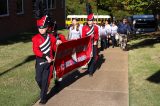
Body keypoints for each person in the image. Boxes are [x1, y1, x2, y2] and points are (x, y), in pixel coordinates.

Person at [32, 15, 56, 104]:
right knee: (38, 79)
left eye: (42, 28)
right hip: (39, 61)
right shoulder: (35, 38)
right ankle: (44, 89)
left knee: (45, 80)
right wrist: (45, 56)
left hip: (48, 63)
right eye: (39, 28)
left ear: (46, 28)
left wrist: (59, 44)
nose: (41, 29)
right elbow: (35, 50)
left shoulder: (52, 38)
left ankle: (43, 98)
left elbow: (54, 48)